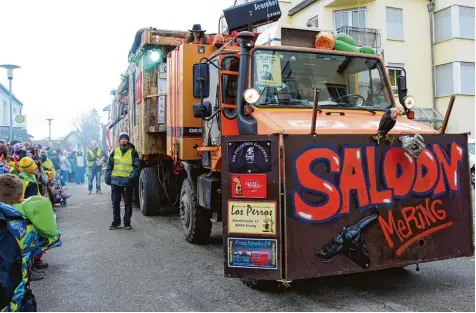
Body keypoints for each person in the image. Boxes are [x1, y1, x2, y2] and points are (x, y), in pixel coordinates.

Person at [105, 132, 140, 230]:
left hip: (127, 183)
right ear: (119, 141)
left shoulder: (133, 152)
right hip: (115, 182)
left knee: (128, 204)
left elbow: (137, 167)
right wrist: (108, 178)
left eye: (125, 139)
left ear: (128, 140)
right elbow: (109, 166)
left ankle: (127, 223)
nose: (124, 140)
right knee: (115, 203)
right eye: (122, 139)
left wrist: (131, 177)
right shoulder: (115, 151)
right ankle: (116, 222)